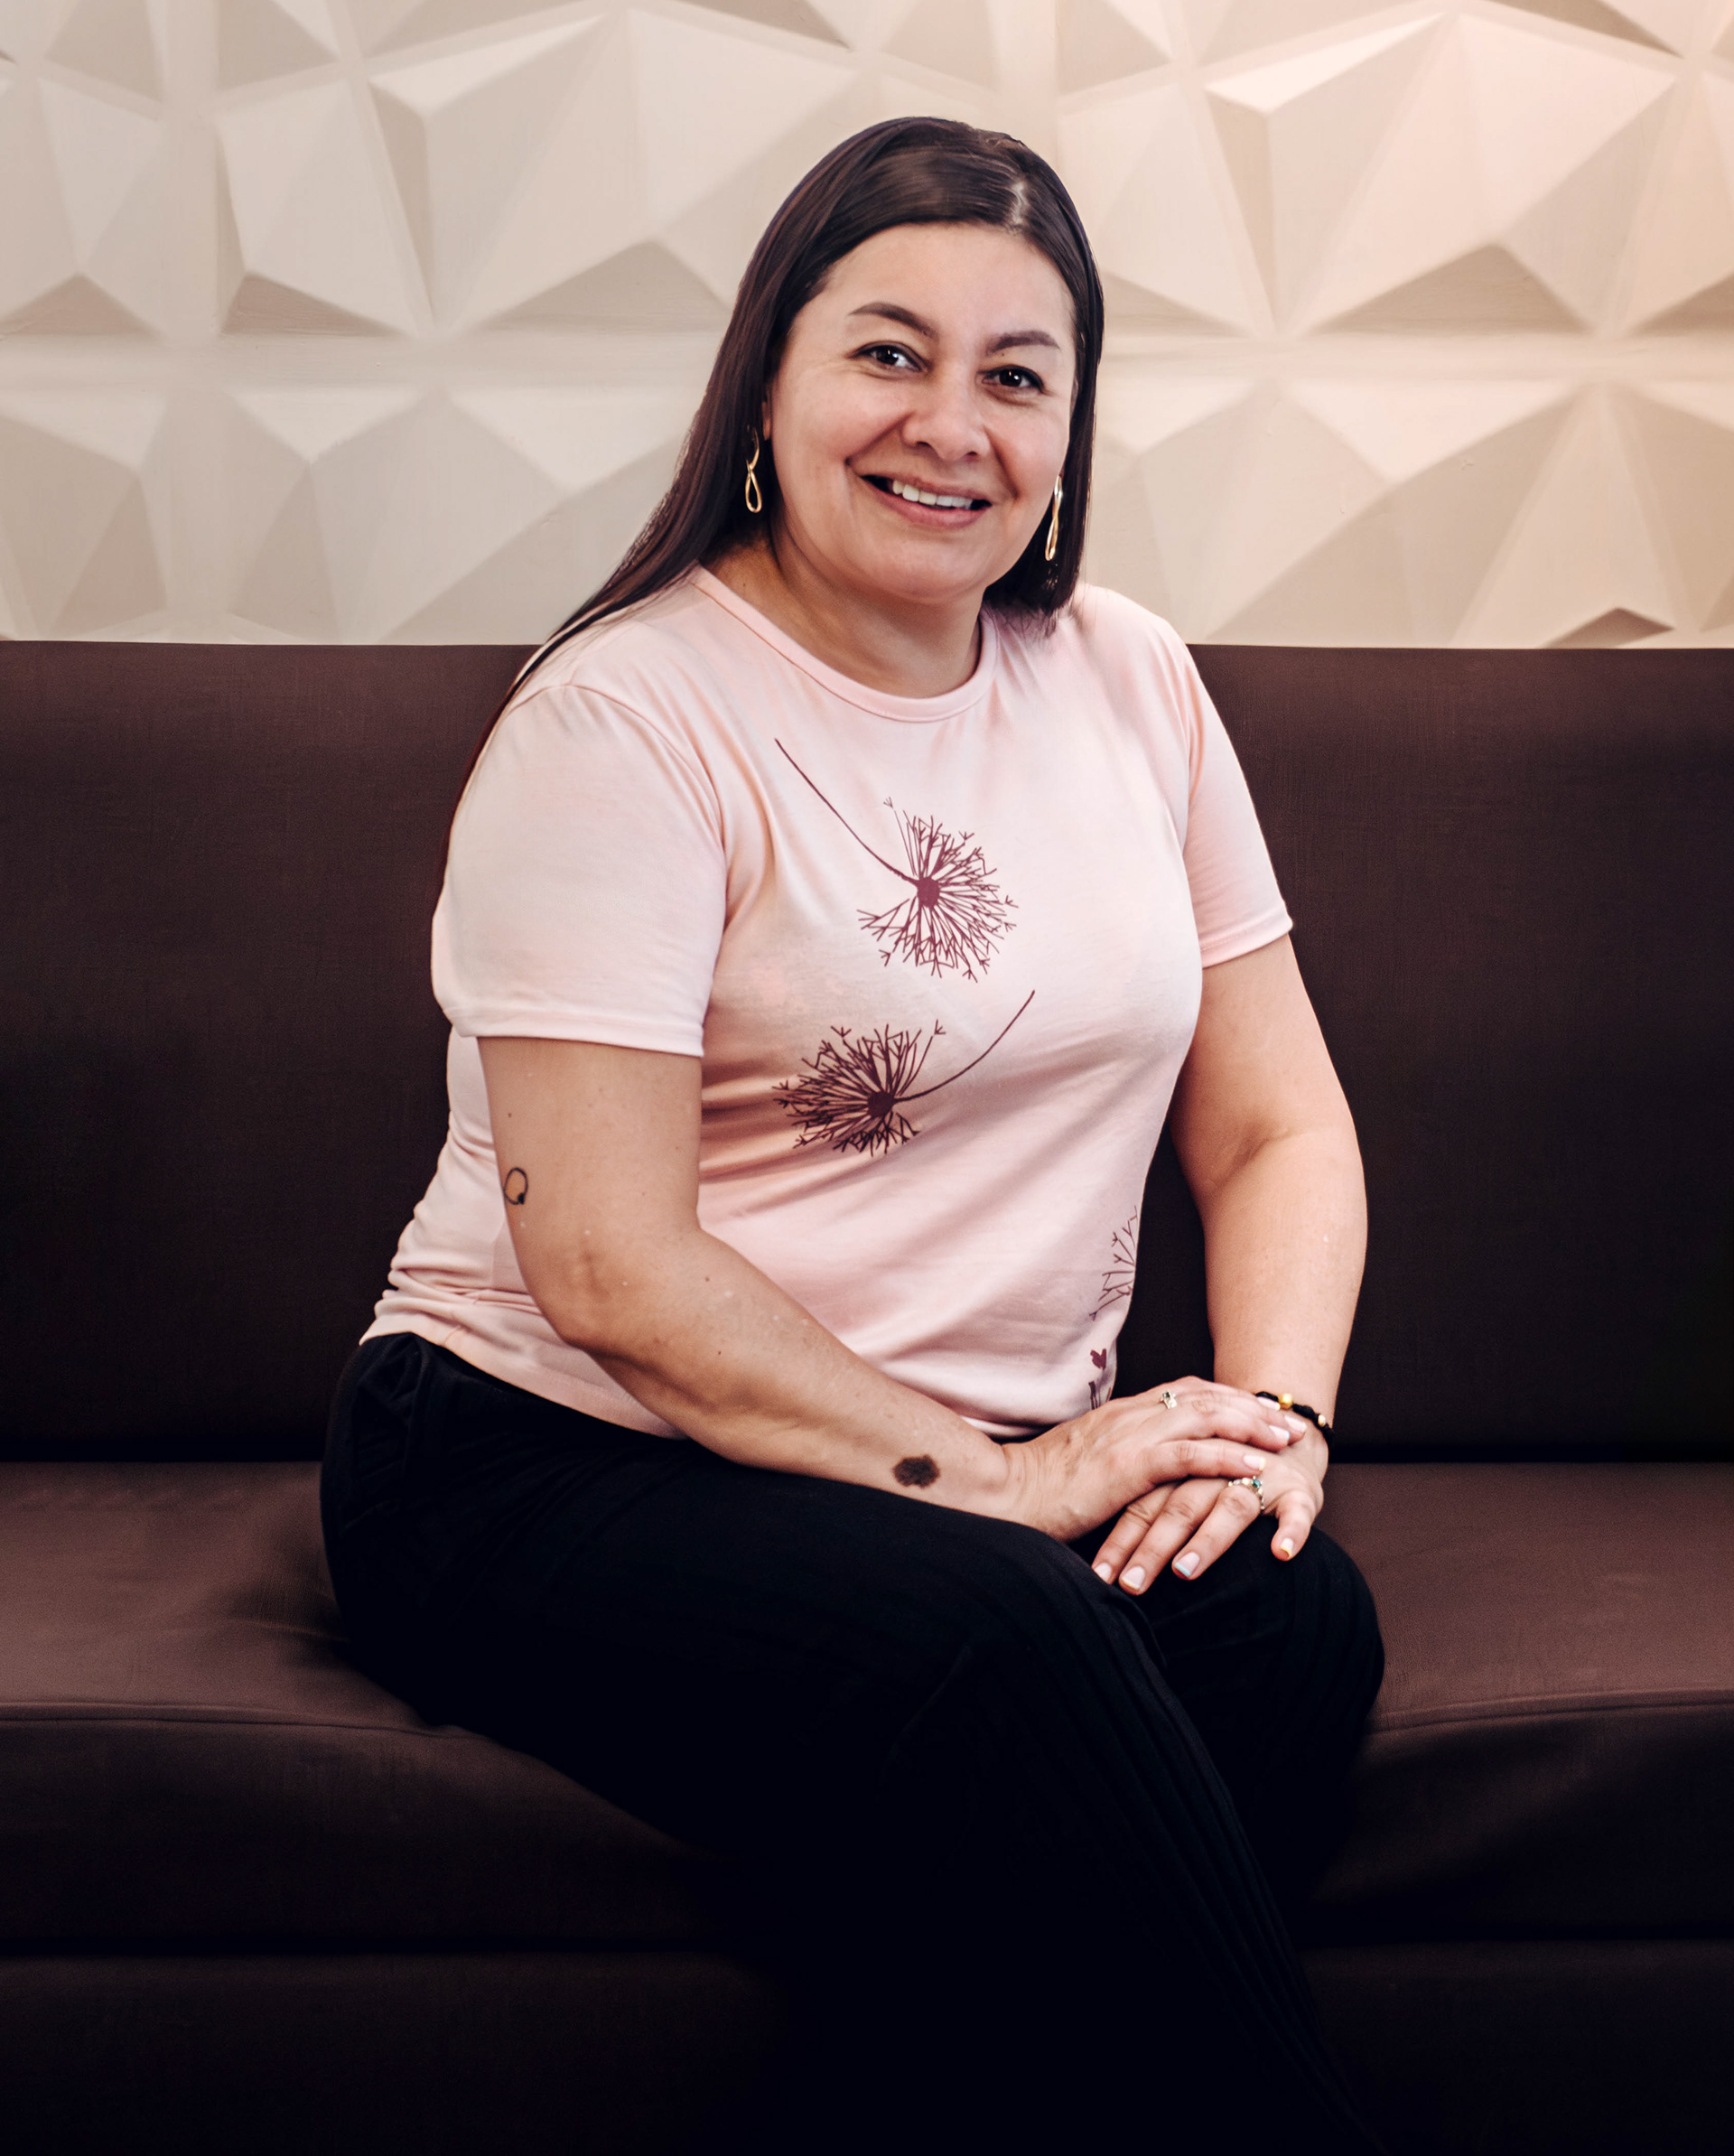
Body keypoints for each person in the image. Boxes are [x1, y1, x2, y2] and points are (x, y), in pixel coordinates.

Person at [322, 117, 1385, 2151]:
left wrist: (1271, 1427)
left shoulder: (1131, 683)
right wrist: (1012, 1485)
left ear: (1069, 427)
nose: (949, 424)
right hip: (543, 1452)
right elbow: (609, 1269)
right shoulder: (620, 722)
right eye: (887, 352)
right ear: (770, 382)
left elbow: (1274, 1124)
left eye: (1016, 375)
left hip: (933, 1490)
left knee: (1283, 1614)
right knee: (1012, 1643)